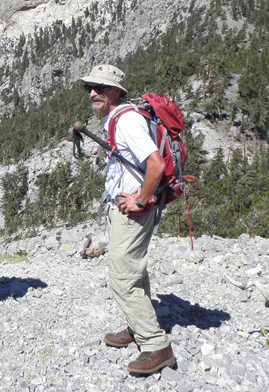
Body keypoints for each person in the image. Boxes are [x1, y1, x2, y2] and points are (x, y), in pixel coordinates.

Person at [79, 65, 176, 374]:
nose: (93, 93)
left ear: (116, 92)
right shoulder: (117, 119)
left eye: (101, 88)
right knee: (134, 270)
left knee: (121, 276)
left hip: (135, 210)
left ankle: (155, 344)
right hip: (123, 207)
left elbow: (156, 165)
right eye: (90, 88)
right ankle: (138, 325)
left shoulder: (128, 121)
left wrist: (141, 199)